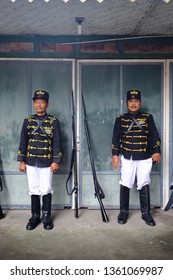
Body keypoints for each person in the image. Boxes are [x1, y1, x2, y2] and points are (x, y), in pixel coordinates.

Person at [112, 89, 161, 226]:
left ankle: (146, 213)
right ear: (127, 103)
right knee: (125, 183)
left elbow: (154, 136)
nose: (133, 104)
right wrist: (115, 155)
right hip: (128, 157)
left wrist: (156, 151)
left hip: (145, 157)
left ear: (140, 102)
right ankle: (123, 211)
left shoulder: (147, 117)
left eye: (136, 101)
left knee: (144, 183)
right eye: (131, 101)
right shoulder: (120, 119)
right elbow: (116, 138)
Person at [17, 90, 62, 230]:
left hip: (47, 162)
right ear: (34, 104)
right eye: (36, 102)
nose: (39, 105)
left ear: (47, 104)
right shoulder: (28, 121)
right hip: (30, 161)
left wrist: (56, 160)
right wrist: (21, 160)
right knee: (34, 189)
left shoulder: (53, 121)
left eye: (42, 102)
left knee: (46, 188)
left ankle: (47, 216)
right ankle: (35, 216)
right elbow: (23, 142)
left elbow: (57, 142)